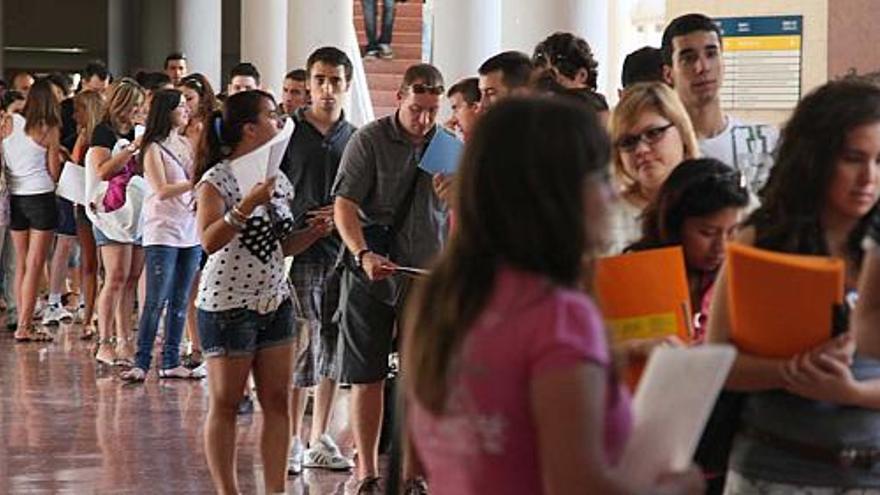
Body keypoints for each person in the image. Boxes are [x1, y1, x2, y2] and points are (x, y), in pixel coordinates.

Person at [404, 96, 704, 495]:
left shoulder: (443, 298)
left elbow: (423, 458)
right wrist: (679, 487)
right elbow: (578, 486)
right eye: (600, 178)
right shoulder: (559, 314)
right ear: (554, 195)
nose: (612, 194)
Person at [707, 79, 880, 492]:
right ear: (816, 159)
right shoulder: (761, 239)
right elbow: (718, 360)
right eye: (854, 159)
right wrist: (788, 372)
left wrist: (852, 392)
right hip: (774, 470)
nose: (868, 178)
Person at [193, 89, 329, 495]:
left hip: (275, 299)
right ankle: (227, 490)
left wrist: (314, 233)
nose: (280, 119)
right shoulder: (216, 179)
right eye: (272, 115)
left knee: (276, 400)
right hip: (227, 306)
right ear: (250, 128)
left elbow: (279, 245)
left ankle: (275, 489)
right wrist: (247, 204)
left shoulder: (278, 179)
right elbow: (209, 241)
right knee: (227, 402)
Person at [333, 63, 452, 493]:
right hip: (373, 271)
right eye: (417, 108)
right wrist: (362, 252)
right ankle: (366, 469)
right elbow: (344, 204)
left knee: (420, 377)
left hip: (424, 277)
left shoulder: (445, 144)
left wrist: (457, 194)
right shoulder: (370, 139)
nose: (424, 120)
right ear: (400, 97)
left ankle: (414, 473)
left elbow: (461, 211)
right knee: (367, 373)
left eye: (432, 111)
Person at [280, 46, 357, 476]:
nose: (327, 89)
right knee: (303, 344)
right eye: (320, 80)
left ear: (346, 85)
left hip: (342, 251)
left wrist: (342, 215)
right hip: (300, 251)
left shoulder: (354, 136)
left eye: (335, 81)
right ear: (308, 85)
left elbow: (365, 194)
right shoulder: (288, 133)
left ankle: (319, 436)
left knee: (333, 345)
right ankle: (292, 435)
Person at [120, 88, 202, 382]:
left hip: (189, 231)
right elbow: (162, 188)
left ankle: (171, 360)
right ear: (166, 111)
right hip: (162, 231)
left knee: (181, 301)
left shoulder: (187, 143)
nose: (185, 111)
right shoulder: (153, 147)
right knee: (156, 301)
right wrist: (194, 183)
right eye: (180, 106)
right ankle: (141, 362)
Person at [627, 158, 749, 342]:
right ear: (674, 226)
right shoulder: (635, 275)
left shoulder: (741, 276)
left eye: (733, 232)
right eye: (707, 233)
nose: (722, 247)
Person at [661, 13, 778, 195]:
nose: (703, 67)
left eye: (711, 54)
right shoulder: (662, 150)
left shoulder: (764, 142)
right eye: (688, 58)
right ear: (669, 74)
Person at [87, 78, 146, 367]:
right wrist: (132, 149)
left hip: (135, 212)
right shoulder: (103, 131)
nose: (137, 110)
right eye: (133, 105)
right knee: (115, 277)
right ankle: (105, 340)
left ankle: (125, 339)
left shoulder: (138, 130)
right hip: (110, 212)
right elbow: (102, 171)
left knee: (132, 277)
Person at [607, 81, 700, 254]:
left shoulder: (723, 202)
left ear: (682, 132)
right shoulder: (603, 217)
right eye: (628, 142)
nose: (641, 150)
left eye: (653, 133)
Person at [3, 78, 63, 341]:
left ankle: (20, 319)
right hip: (41, 198)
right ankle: (25, 327)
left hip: (16, 198)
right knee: (35, 265)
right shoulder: (49, 129)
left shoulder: (8, 123)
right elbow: (53, 171)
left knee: (21, 264)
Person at [178, 72, 218, 369]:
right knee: (190, 283)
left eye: (189, 99)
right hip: (182, 210)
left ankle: (206, 344)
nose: (185, 105)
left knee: (204, 281)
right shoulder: (177, 128)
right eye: (181, 100)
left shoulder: (209, 129)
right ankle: (195, 343)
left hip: (203, 205)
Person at [70, 89, 106, 339]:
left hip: (102, 206)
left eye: (78, 110)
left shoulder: (103, 136)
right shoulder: (84, 136)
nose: (74, 116)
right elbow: (73, 167)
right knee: (90, 263)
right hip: (84, 205)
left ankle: (99, 317)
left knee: (106, 267)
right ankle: (89, 315)